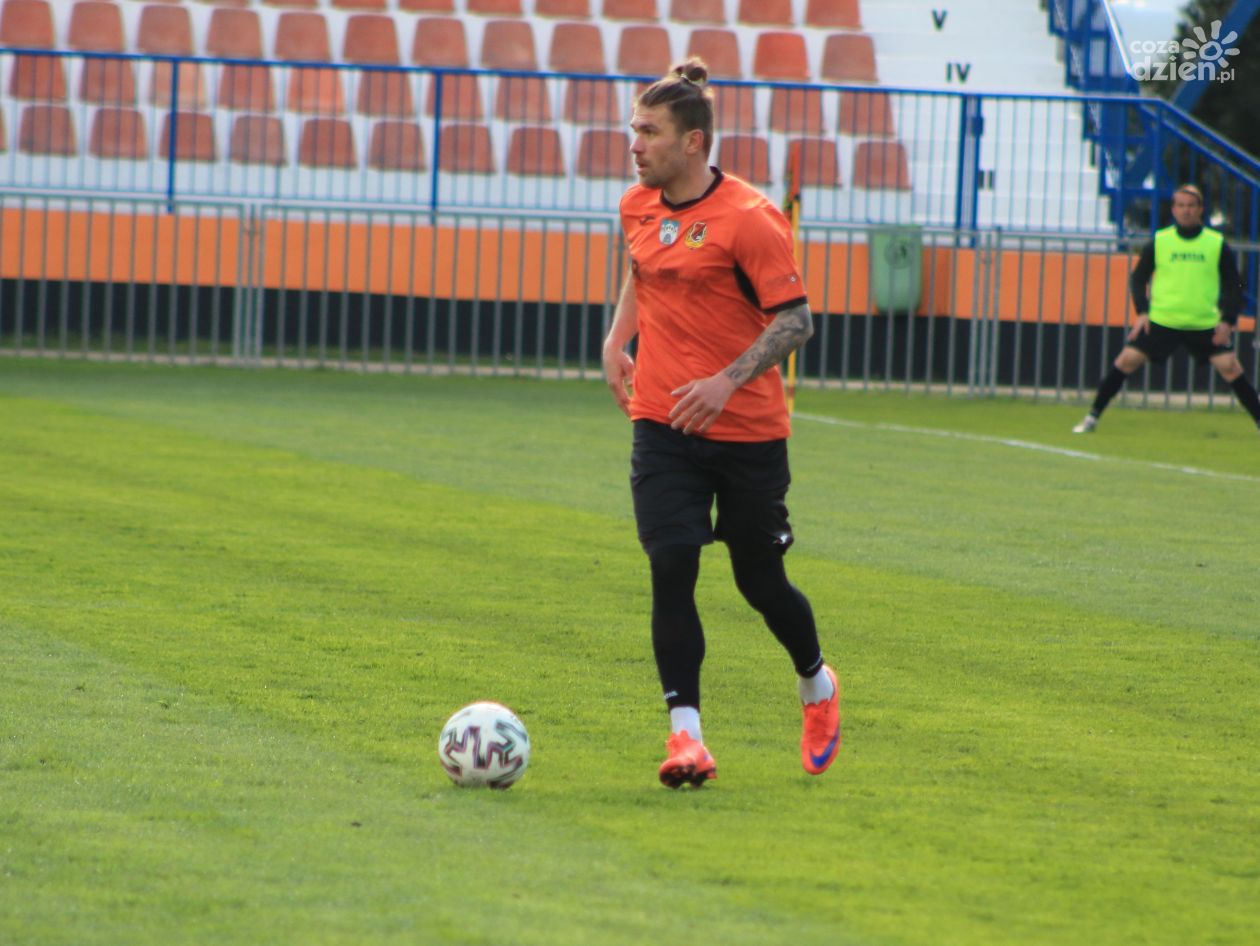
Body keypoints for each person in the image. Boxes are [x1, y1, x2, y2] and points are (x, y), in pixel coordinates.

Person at [601, 58, 841, 789]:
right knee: (672, 564)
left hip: (747, 433)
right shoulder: (636, 205)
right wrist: (616, 339)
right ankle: (687, 739)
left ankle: (817, 684)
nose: (634, 144)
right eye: (634, 129)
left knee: (760, 582)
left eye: (649, 132)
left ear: (693, 142)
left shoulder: (751, 218)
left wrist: (726, 380)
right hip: (662, 422)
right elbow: (644, 271)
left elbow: (796, 320)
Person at [1073, 184, 1260, 435]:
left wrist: (1227, 319)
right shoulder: (1160, 241)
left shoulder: (1215, 243)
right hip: (1163, 320)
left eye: (1191, 206)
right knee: (1126, 361)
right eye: (1181, 205)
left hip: (1203, 322)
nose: (1186, 210)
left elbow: (1233, 283)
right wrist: (1142, 312)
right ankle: (1092, 417)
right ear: (1173, 209)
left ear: (1200, 209)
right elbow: (1139, 278)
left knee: (1230, 367)